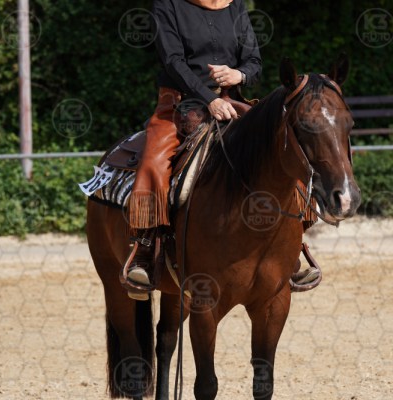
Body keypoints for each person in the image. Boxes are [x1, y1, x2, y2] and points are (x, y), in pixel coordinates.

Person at [125, 0, 319, 298]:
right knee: (154, 160)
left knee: (283, 149)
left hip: (233, 102)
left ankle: (293, 247)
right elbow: (172, 61)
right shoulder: (168, 5)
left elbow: (253, 61)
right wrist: (209, 98)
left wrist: (239, 75)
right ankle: (145, 250)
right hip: (179, 104)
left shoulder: (234, 4)